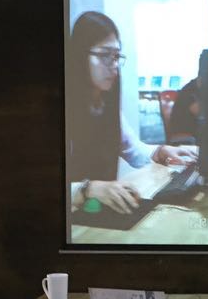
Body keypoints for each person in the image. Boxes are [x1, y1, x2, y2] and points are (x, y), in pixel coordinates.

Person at [67, 11, 195, 215]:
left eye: (116, 56)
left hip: (98, 215)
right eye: (105, 55)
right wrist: (87, 189)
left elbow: (133, 149)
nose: (114, 65)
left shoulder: (105, 105)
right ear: (80, 56)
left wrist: (161, 151)